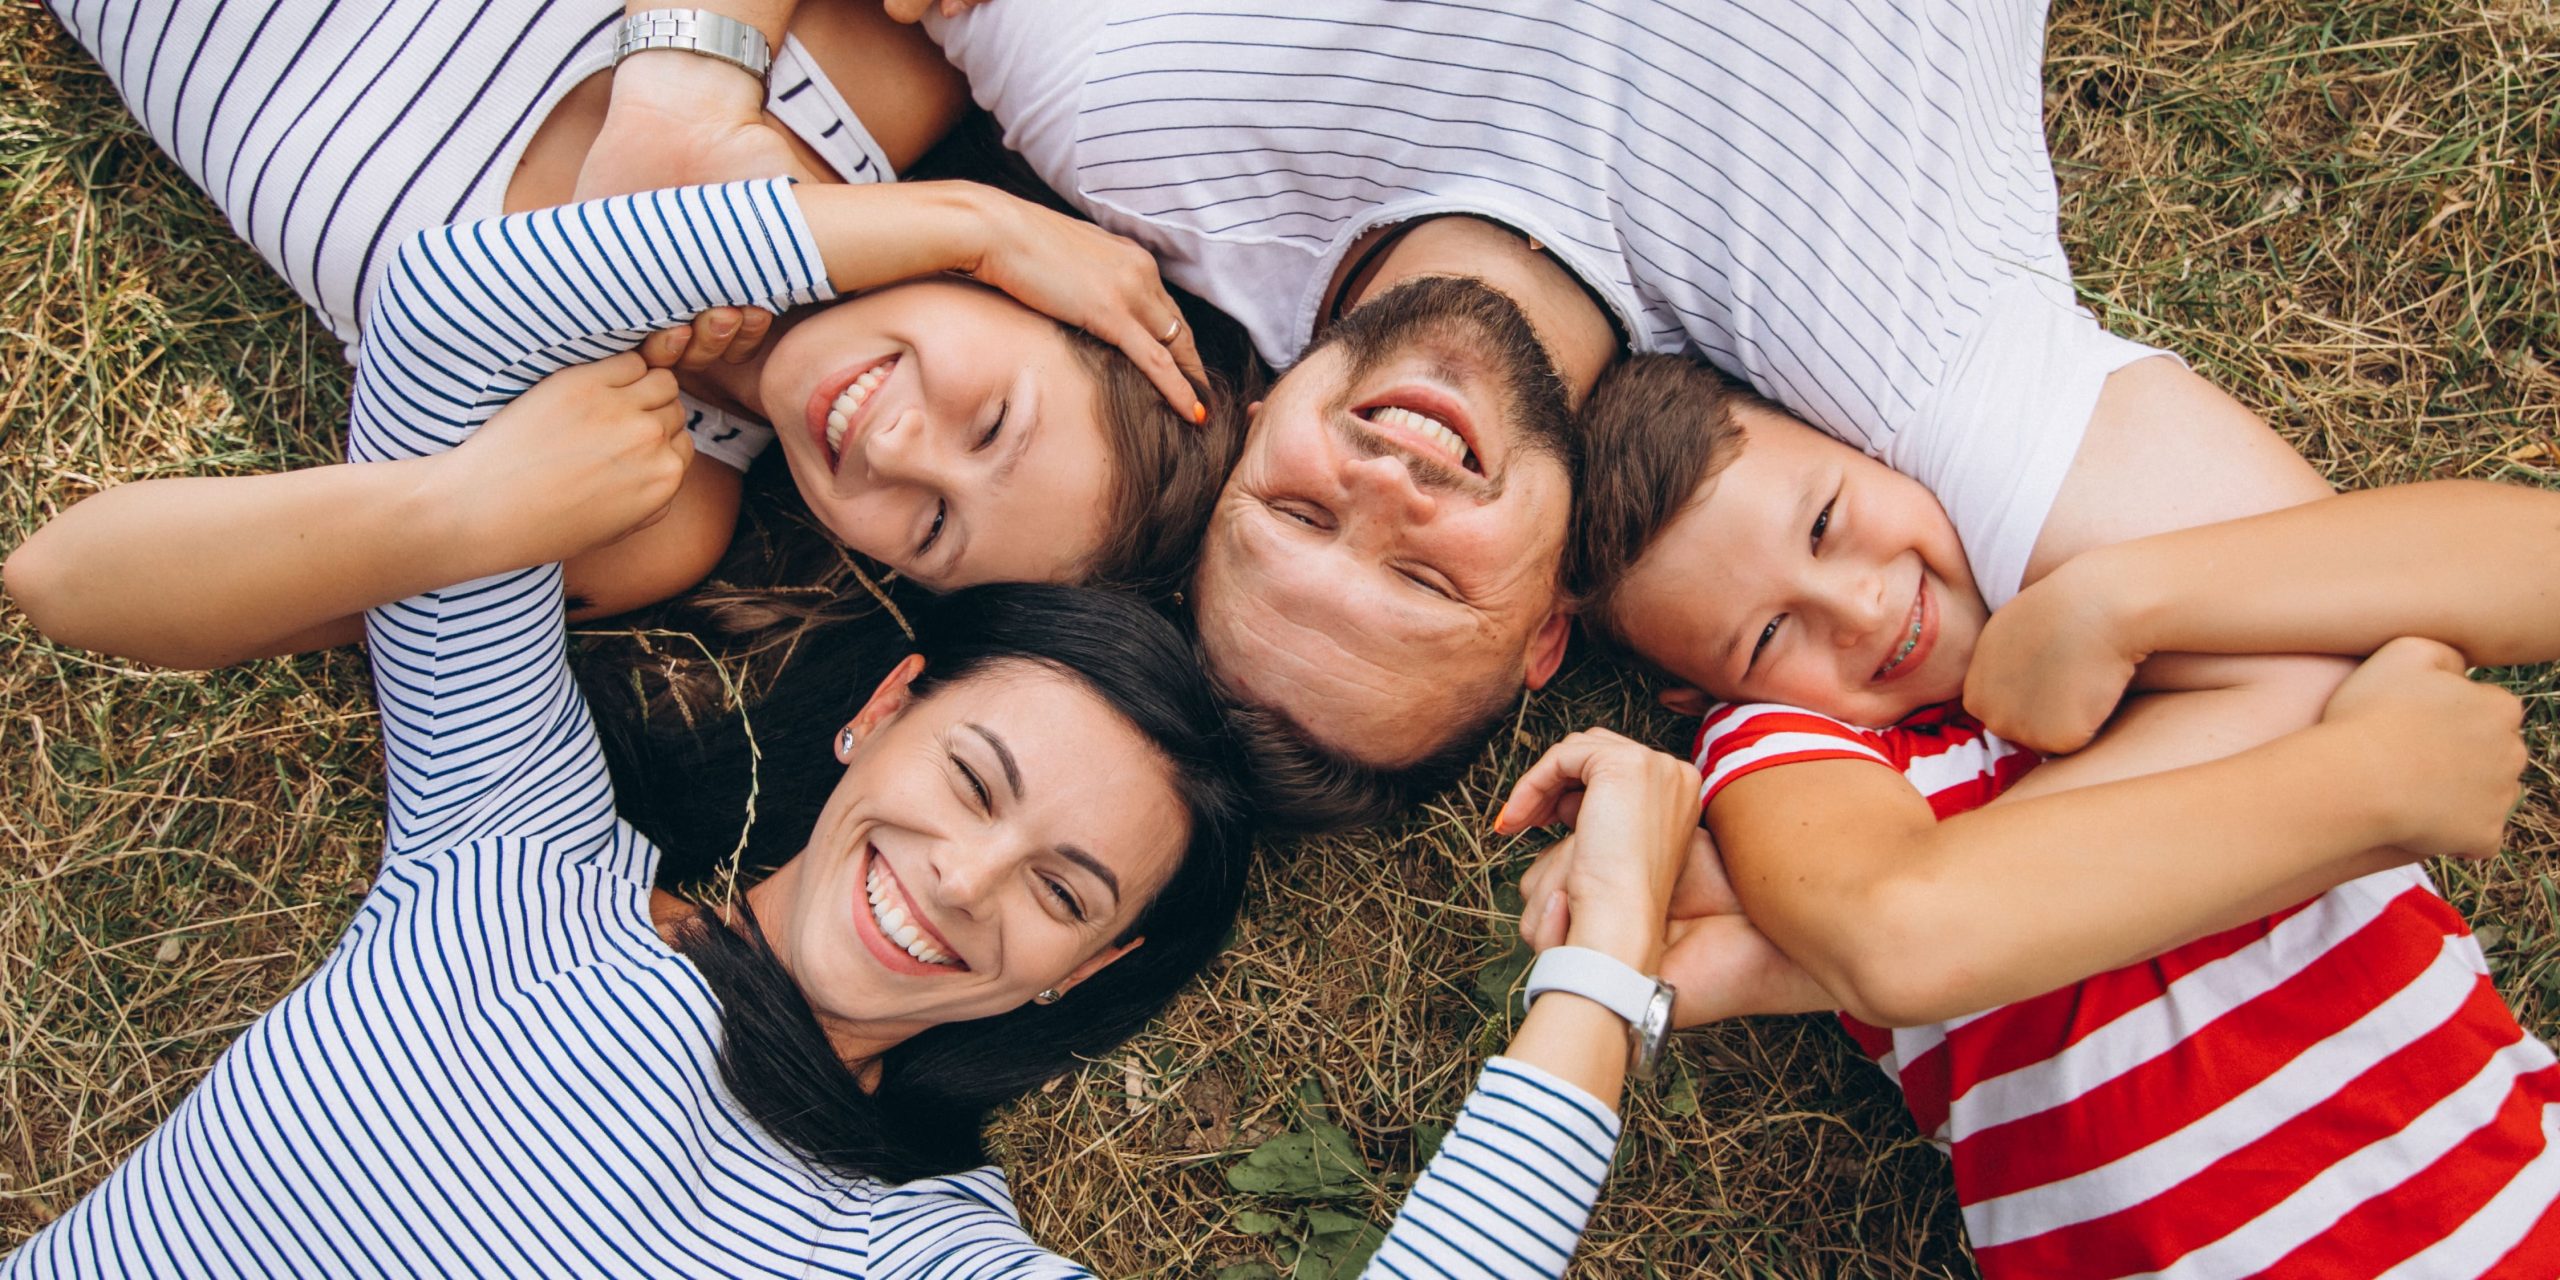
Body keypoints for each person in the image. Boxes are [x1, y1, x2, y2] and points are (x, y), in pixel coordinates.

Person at [0, 183, 1700, 1277]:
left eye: (1061, 895)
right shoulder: (514, 861)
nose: (963, 880)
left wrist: (1603, 971)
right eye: (973, 777)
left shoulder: (909, 1255)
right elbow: (461, 308)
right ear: (882, 713)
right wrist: (950, 228)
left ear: (1076, 982)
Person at [1526, 351, 2560, 1274]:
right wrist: (2361, 769)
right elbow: (1895, 917)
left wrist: (2120, 599)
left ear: (1870, 444)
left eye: (1826, 523)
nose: (1862, 609)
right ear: (1705, 701)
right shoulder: (1794, 746)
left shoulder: (2146, 581)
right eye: (1764, 639)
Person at [34, 0, 1236, 638]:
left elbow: (69, 579)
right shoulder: (879, 63)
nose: (894, 449)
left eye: (929, 528)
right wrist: (962, 216)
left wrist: (451, 509)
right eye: (990, 423)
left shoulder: (645, 506)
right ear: (1035, 288)